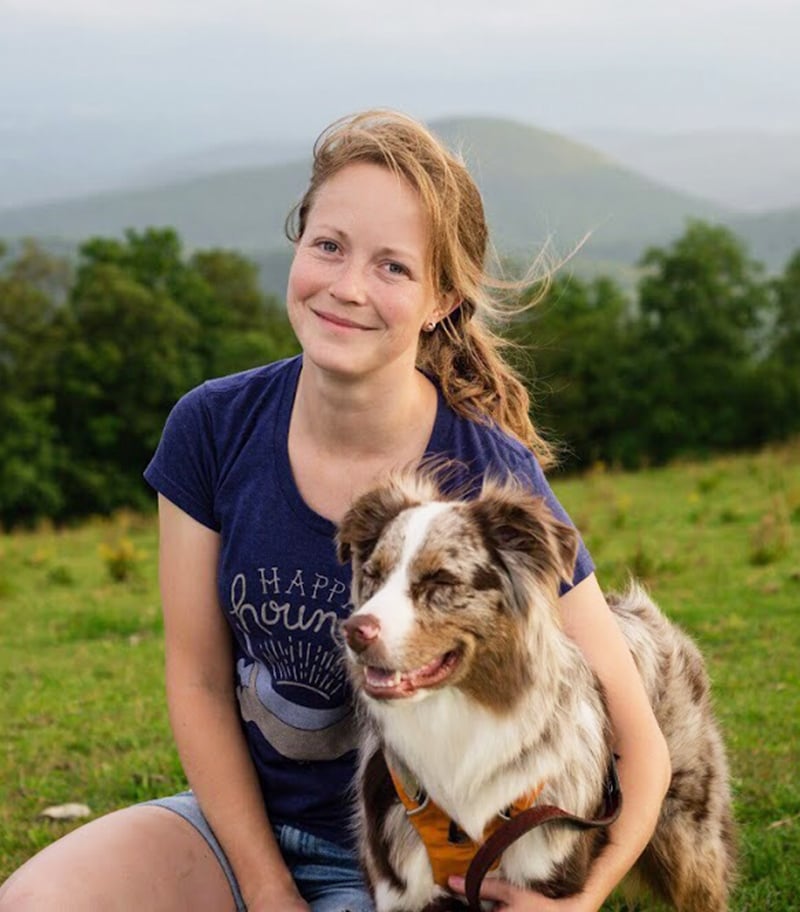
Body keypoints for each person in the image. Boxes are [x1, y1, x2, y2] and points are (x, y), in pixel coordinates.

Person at [0, 109, 670, 912]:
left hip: (409, 863)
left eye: (393, 267)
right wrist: (265, 886)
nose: (347, 287)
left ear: (440, 300)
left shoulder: (487, 473)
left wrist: (580, 902)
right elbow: (202, 681)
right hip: (239, 831)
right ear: (297, 245)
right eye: (328, 246)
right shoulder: (212, 427)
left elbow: (640, 742)